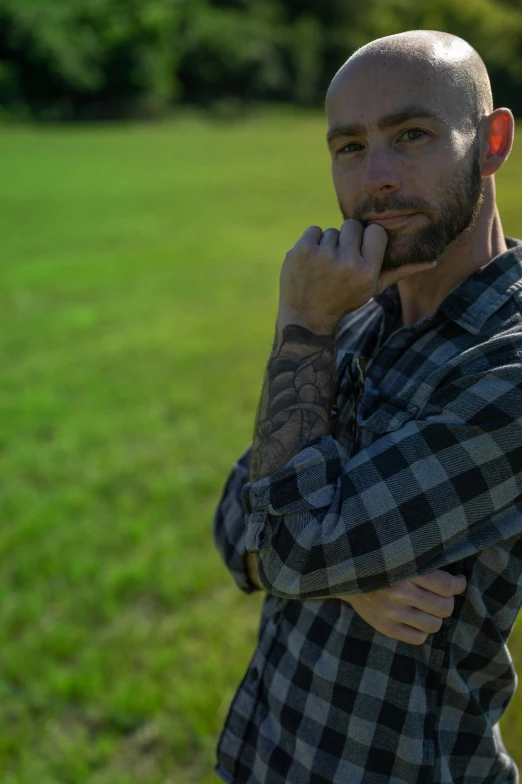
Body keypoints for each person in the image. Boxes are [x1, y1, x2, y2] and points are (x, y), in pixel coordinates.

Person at [213, 29, 522, 784]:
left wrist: (302, 327)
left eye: (410, 135)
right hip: (268, 751)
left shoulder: (505, 362)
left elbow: (284, 545)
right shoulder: (358, 309)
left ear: (492, 141)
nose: (374, 178)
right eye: (348, 147)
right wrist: (349, 573)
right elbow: (233, 521)